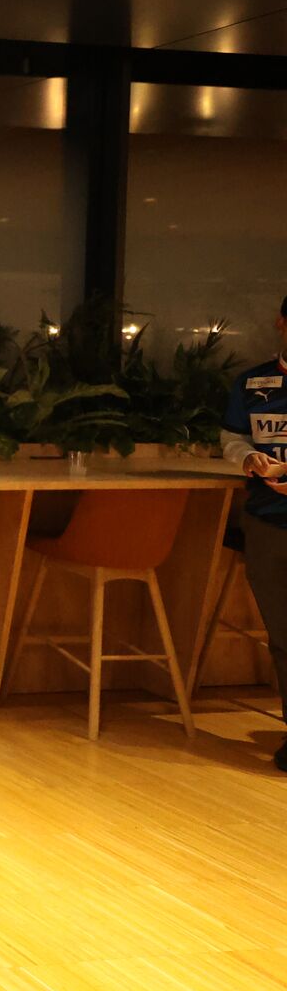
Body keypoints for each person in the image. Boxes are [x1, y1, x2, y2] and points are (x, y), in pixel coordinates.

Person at [219, 296, 287, 773]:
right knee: (282, 634)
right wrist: (247, 458)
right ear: (282, 322)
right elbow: (232, 437)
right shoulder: (253, 382)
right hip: (267, 520)